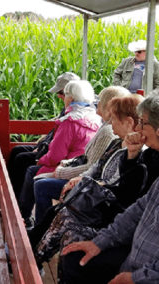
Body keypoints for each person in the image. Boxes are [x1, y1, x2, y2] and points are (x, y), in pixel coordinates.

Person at [60, 92, 159, 284]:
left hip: (147, 270)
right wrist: (99, 242)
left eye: (143, 123)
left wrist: (136, 278)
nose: (138, 128)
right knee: (75, 258)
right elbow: (137, 207)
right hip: (135, 253)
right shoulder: (150, 156)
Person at [32, 86, 129, 223]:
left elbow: (93, 167)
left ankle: (39, 225)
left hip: (90, 186)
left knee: (39, 182)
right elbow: (91, 162)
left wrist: (62, 172)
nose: (96, 103)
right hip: (80, 174)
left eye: (99, 101)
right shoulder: (102, 125)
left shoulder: (108, 131)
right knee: (37, 178)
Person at [20, 80, 101, 227]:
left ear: (70, 98)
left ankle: (29, 219)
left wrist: (41, 160)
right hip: (81, 163)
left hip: (68, 166)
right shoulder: (95, 117)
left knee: (33, 172)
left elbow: (56, 156)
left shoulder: (70, 122)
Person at [7, 72, 80, 199]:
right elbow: (55, 133)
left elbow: (61, 145)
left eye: (62, 93)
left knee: (22, 159)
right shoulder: (68, 110)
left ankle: (16, 202)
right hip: (50, 147)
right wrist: (42, 144)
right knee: (17, 150)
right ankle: (10, 193)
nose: (58, 96)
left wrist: (42, 153)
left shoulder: (75, 115)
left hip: (60, 156)